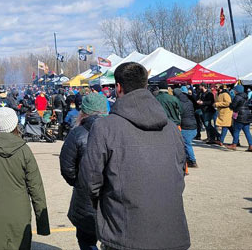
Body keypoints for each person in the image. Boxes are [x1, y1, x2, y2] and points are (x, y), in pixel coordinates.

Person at [79, 62, 190, 250]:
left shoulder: (104, 127)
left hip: (125, 234)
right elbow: (180, 173)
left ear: (118, 87)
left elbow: (90, 182)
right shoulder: (171, 129)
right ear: (145, 85)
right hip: (171, 233)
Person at [0, 107, 50, 249]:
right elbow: (36, 188)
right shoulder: (24, 150)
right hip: (19, 211)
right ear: (14, 124)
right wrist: (42, 223)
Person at [60, 93, 108, 250]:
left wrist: (80, 181)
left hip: (86, 197)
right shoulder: (115, 131)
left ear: (84, 112)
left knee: (86, 241)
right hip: (110, 196)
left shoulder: (77, 133)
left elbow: (67, 168)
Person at [174, 86, 198, 167]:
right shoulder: (189, 101)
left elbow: (180, 114)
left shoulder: (179, 103)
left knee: (187, 143)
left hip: (186, 125)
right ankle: (189, 158)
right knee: (187, 143)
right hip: (193, 124)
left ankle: (192, 160)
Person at [227, 85, 252, 151]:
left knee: (236, 130)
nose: (234, 91)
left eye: (235, 90)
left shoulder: (237, 97)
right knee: (247, 132)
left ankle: (234, 144)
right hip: (247, 115)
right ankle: (251, 145)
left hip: (240, 115)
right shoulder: (246, 96)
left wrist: (230, 104)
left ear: (237, 91)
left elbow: (233, 106)